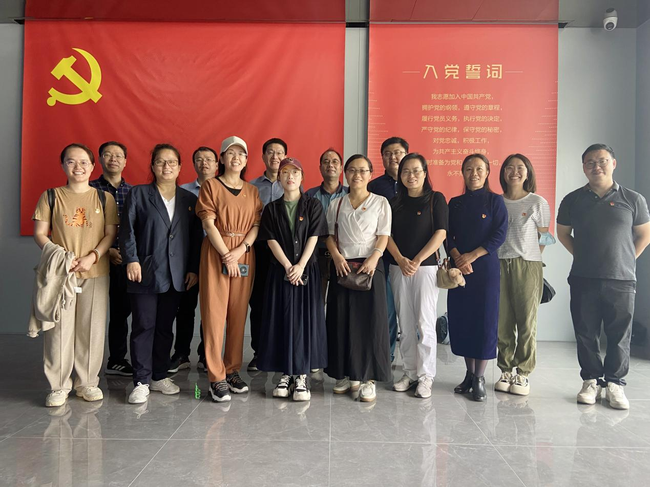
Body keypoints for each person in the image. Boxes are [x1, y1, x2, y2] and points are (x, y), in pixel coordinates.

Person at [557, 144, 650, 410]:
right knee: (585, 332)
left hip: (622, 280)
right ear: (583, 167)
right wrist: (581, 255)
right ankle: (591, 381)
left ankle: (615, 384)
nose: (596, 166)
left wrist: (626, 259)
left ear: (613, 163)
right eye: (590, 162)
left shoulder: (633, 199)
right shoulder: (573, 200)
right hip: (583, 277)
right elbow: (563, 234)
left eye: (602, 161)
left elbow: (644, 234)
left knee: (619, 334)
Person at [32, 143, 118, 407]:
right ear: (63, 165)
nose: (78, 167)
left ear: (92, 166)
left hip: (96, 271)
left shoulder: (104, 198)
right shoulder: (51, 196)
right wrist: (62, 257)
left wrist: (93, 256)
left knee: (91, 329)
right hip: (61, 273)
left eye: (83, 162)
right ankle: (58, 386)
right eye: (71, 161)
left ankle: (87, 383)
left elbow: (110, 233)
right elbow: (40, 233)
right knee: (59, 330)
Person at [120, 143, 202, 404]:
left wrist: (193, 268)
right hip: (144, 271)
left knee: (165, 328)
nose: (166, 167)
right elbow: (127, 230)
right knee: (144, 326)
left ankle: (158, 375)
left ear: (179, 167)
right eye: (160, 162)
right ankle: (141, 381)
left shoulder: (189, 200)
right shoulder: (139, 194)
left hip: (176, 275)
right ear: (153, 166)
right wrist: (131, 260)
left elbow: (195, 239)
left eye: (172, 162)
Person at [196, 136, 263, 402]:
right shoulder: (211, 186)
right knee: (214, 314)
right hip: (217, 253)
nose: (236, 158)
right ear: (222, 158)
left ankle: (232, 369)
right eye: (230, 153)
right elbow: (208, 223)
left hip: (244, 254)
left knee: (238, 313)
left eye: (241, 154)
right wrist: (227, 254)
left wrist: (241, 250)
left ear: (246, 160)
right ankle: (216, 376)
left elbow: (256, 225)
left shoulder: (252, 191)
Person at [257, 157, 329, 401]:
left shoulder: (313, 205)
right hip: (280, 272)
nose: (290, 177)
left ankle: (302, 375)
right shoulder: (271, 208)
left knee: (304, 322)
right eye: (285, 172)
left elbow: (314, 236)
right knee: (282, 319)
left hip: (306, 272)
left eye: (295, 173)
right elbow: (270, 240)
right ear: (279, 177)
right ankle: (286, 373)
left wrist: (300, 265)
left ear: (302, 177)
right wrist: (288, 266)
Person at [325, 154, 392, 402]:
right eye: (352, 170)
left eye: (363, 170)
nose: (357, 175)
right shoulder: (336, 204)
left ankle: (368, 379)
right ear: (345, 173)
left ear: (371, 174)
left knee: (370, 323)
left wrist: (374, 258)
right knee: (340, 319)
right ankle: (344, 374)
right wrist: (336, 257)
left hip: (370, 267)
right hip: (343, 266)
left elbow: (383, 235)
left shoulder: (380, 202)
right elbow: (329, 235)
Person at [387, 153, 448, 399]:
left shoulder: (436, 199)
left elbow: (441, 233)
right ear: (400, 175)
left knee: (425, 322)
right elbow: (386, 235)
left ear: (424, 173)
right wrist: (401, 259)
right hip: (398, 267)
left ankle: (426, 376)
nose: (411, 176)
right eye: (405, 171)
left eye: (416, 171)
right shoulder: (394, 202)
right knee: (405, 323)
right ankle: (410, 372)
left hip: (426, 268)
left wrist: (418, 259)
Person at [447, 153, 507, 401]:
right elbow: (447, 235)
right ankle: (469, 374)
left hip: (485, 269)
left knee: (484, 321)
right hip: (459, 270)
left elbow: (499, 234)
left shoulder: (495, 201)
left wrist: (471, 256)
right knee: (463, 320)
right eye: (469, 169)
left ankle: (480, 377)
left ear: (487, 172)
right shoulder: (455, 203)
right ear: (462, 173)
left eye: (479, 169)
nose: (474, 174)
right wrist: (458, 257)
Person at [495, 154, 553, 396]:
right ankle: (505, 370)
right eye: (509, 167)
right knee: (503, 321)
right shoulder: (496, 202)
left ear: (528, 172)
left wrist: (532, 257)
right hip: (498, 264)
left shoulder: (537, 202)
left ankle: (523, 373)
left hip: (527, 265)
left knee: (526, 322)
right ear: (503, 173)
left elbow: (545, 237)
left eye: (520, 167)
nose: (515, 172)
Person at [168, 146, 217, 373]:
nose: (204, 163)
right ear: (193, 164)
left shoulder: (223, 189)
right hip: (188, 257)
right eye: (199, 159)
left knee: (211, 309)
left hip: (216, 256)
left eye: (209, 159)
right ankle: (181, 353)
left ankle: (206, 354)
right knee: (185, 307)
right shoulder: (183, 192)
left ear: (217, 164)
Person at [89, 141, 134, 377]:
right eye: (107, 154)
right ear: (99, 160)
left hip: (123, 261)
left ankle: (116, 359)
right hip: (93, 260)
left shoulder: (134, 192)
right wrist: (106, 251)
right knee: (91, 312)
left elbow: (137, 228)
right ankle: (86, 362)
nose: (113, 159)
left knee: (120, 311)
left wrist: (125, 253)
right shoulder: (88, 189)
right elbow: (83, 229)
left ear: (125, 161)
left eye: (118, 155)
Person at [248, 138, 288, 371]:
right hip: (260, 250)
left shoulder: (292, 184)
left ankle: (283, 350)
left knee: (284, 301)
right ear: (263, 156)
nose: (275, 156)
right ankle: (259, 352)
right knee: (259, 302)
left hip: (287, 252)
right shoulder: (252, 187)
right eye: (270, 152)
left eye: (279, 152)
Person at [369, 137, 408, 362]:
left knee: (412, 310)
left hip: (412, 255)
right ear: (382, 157)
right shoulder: (374, 187)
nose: (393, 157)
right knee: (387, 308)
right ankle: (388, 354)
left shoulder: (415, 183)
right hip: (382, 256)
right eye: (388, 153)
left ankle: (414, 362)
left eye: (398, 152)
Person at [305, 148, 349, 302]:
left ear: (341, 168)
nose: (330, 165)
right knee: (315, 302)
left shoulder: (350, 194)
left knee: (341, 304)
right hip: (317, 256)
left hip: (344, 257)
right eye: (326, 162)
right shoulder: (309, 195)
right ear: (320, 168)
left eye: (335, 162)